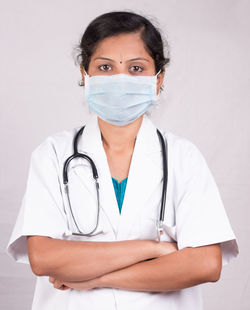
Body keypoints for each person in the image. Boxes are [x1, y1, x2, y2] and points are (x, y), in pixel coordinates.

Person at [6, 11, 238, 310]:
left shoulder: (184, 157)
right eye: (105, 67)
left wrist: (92, 277)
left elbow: (205, 265)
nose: (119, 79)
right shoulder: (53, 153)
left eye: (136, 68)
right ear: (84, 74)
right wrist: (154, 249)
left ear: (159, 78)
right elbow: (45, 259)